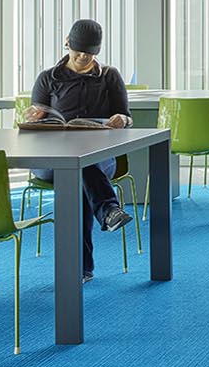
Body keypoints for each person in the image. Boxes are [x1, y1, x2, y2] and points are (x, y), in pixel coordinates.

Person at [27, 19, 134, 282]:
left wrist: (121, 119)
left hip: (98, 158)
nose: (84, 57)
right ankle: (108, 210)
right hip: (50, 159)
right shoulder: (47, 78)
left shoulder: (110, 76)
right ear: (67, 44)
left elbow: (127, 118)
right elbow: (32, 126)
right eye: (78, 52)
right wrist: (33, 118)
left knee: (81, 169)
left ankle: (80, 269)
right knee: (79, 169)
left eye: (90, 53)